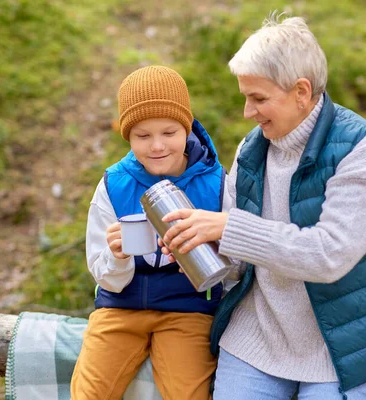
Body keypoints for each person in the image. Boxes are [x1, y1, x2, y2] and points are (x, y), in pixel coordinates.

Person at [159, 15, 366, 400]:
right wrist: (197, 247)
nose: (248, 112)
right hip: (260, 336)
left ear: (302, 91)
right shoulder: (253, 148)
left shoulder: (364, 150)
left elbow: (326, 255)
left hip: (347, 344)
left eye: (259, 98)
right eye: (246, 97)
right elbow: (239, 260)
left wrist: (227, 228)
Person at [70, 66, 225, 400]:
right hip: (120, 306)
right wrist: (118, 256)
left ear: (187, 128)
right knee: (89, 393)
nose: (157, 146)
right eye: (142, 136)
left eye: (169, 132)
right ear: (128, 137)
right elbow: (105, 277)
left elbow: (237, 264)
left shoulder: (218, 184)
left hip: (189, 307)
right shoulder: (114, 184)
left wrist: (210, 255)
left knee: (190, 394)